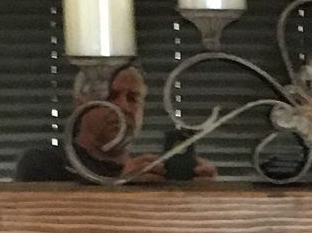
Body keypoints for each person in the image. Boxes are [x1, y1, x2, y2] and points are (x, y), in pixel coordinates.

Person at [14, 61, 209, 181]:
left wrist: (205, 198)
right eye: (111, 96)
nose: (123, 107)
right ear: (80, 103)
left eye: (133, 98)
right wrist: (120, 185)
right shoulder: (44, 163)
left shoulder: (152, 175)